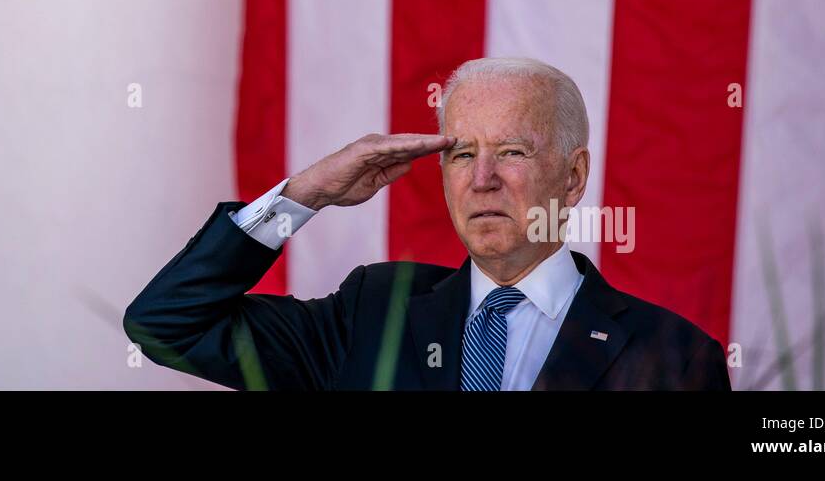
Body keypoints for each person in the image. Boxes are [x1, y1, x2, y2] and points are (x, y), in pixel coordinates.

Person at [124, 56, 730, 390]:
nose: (482, 178)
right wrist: (305, 194)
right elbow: (165, 324)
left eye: (513, 152)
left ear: (573, 177)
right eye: (462, 154)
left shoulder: (676, 359)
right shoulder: (374, 310)